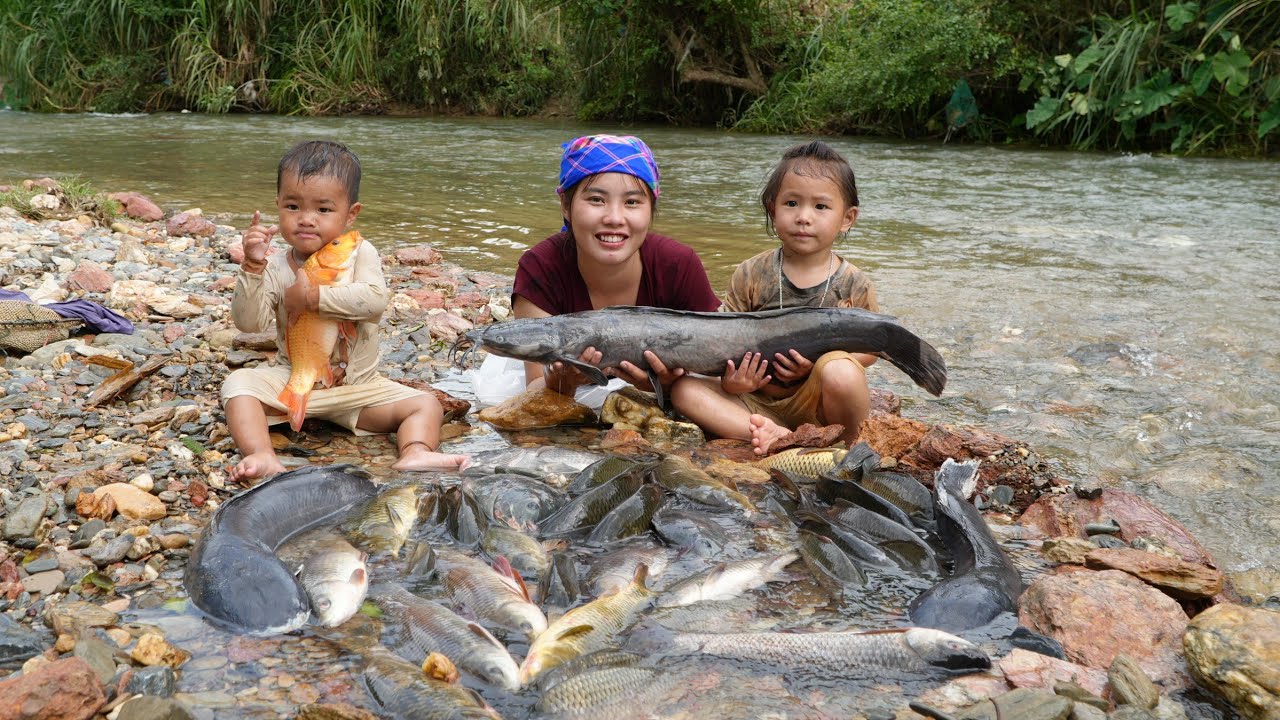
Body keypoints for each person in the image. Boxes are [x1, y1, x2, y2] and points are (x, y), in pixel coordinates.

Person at [221, 140, 469, 482]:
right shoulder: (276, 267)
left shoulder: (358, 254)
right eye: (293, 206)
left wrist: (313, 299)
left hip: (359, 389)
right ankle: (262, 453)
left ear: (350, 214)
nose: (306, 220)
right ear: (277, 205)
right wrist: (251, 267)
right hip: (295, 380)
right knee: (238, 386)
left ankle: (415, 451)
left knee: (426, 404)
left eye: (323, 210)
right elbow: (249, 324)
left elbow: (374, 302)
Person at [671, 140, 879, 455]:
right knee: (685, 389)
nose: (804, 217)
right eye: (792, 203)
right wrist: (734, 383)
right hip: (757, 400)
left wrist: (818, 365)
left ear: (847, 218)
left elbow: (873, 348)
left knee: (842, 371)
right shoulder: (751, 273)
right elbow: (725, 339)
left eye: (821, 207)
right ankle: (779, 438)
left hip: (820, 404)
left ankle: (848, 449)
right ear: (773, 208)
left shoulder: (853, 283)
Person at [509, 134, 720, 400]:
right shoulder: (540, 269)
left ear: (651, 209)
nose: (614, 218)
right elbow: (536, 385)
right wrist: (561, 383)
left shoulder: (678, 266)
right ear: (565, 205)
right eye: (597, 200)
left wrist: (668, 384)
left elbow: (714, 372)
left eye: (632, 202)